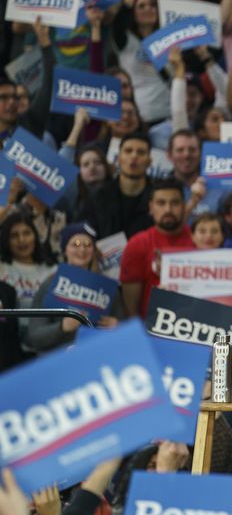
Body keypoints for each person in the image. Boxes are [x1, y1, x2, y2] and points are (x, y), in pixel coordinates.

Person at [24, 223, 122, 353]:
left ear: (93, 250)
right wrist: (62, 327)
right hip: (58, 359)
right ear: (64, 250)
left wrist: (118, 326)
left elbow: (126, 329)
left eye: (87, 244)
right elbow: (35, 336)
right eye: (75, 244)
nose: (82, 250)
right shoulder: (49, 285)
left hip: (97, 356)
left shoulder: (107, 288)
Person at [119, 178, 194, 318]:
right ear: (151, 207)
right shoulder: (137, 244)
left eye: (175, 203)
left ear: (184, 206)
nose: (168, 209)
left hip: (197, 323)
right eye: (161, 203)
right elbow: (131, 311)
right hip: (150, 326)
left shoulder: (199, 241)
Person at [79, 132, 154, 239]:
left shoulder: (158, 198)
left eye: (141, 152)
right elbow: (80, 234)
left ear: (149, 161)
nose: (134, 156)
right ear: (118, 158)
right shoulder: (97, 197)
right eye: (128, 151)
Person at [0, 213, 56, 309]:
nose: (21, 240)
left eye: (27, 233)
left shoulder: (53, 271)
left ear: (35, 236)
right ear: (6, 240)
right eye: (14, 235)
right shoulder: (1, 269)